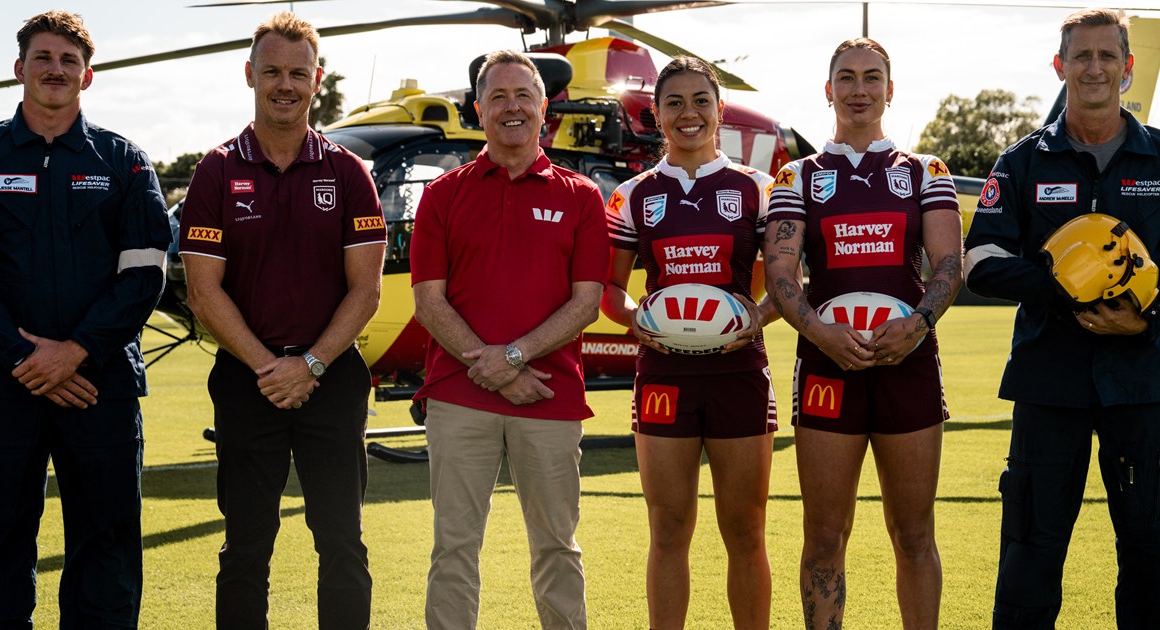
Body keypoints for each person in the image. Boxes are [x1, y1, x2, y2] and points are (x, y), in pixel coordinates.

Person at [963, 9, 1160, 629]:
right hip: (1049, 383)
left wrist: (1149, 318)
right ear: (1061, 68)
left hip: (1143, 384)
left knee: (1152, 549)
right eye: (1082, 57)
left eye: (1109, 56)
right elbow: (981, 260)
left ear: (1128, 69)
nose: (1095, 67)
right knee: (1030, 550)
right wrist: (1062, 286)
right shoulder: (1022, 163)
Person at [0, 10, 169, 628]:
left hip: (101, 386)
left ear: (88, 76)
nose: (56, 69)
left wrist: (76, 350)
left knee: (106, 546)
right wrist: (22, 355)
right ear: (19, 69)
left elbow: (145, 275)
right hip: (3, 385)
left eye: (69, 60)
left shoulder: (127, 163)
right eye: (43, 58)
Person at [176, 12, 386, 628]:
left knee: (341, 542)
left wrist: (312, 364)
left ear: (316, 79)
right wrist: (271, 368)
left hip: (333, 378)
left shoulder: (349, 173)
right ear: (250, 74)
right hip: (248, 379)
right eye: (272, 72)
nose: (284, 85)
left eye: (298, 73)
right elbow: (203, 290)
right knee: (245, 546)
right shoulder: (216, 170)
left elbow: (366, 289)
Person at [763, 38, 965, 630]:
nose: (858, 90)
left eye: (871, 78)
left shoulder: (924, 172)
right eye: (846, 79)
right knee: (825, 535)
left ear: (890, 90)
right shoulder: (797, 176)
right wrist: (818, 332)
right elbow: (781, 273)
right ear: (828, 91)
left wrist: (920, 322)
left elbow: (948, 266)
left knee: (914, 532)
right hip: (828, 366)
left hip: (909, 363)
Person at [409, 50, 609, 630]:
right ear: (479, 110)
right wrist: (492, 367)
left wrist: (515, 358)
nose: (512, 107)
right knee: (454, 549)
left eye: (524, 95)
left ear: (545, 108)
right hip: (458, 398)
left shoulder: (581, 196)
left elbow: (586, 302)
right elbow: (428, 302)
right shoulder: (443, 195)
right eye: (498, 96)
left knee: (556, 548)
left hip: (548, 396)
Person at [600, 56, 779, 630]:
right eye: (673, 102)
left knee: (745, 530)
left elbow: (784, 285)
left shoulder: (757, 189)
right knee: (669, 527)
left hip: (739, 372)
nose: (689, 113)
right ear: (656, 114)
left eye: (701, 100)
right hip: (664, 374)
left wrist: (755, 319)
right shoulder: (632, 195)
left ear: (719, 109)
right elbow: (609, 288)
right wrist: (637, 321)